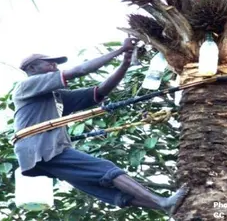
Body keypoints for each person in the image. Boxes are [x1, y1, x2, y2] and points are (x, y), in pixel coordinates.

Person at [12, 38, 189, 215]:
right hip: (41, 148)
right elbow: (81, 70)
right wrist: (119, 51)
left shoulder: (55, 96)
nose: (55, 67)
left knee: (101, 187)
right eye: (50, 64)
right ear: (32, 68)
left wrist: (124, 64)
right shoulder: (26, 86)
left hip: (40, 153)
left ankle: (169, 208)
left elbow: (99, 91)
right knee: (106, 168)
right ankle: (163, 202)